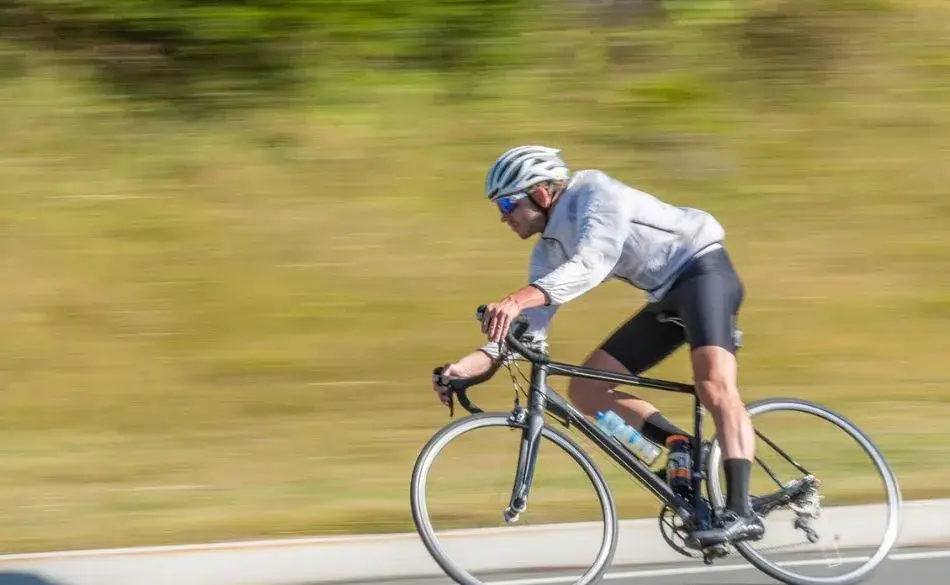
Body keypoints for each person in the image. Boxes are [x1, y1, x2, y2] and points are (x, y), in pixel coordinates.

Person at [431, 145, 764, 547]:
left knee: (713, 385)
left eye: (507, 203)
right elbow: (527, 333)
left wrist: (517, 298)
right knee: (586, 390)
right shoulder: (548, 250)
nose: (503, 216)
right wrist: (465, 368)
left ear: (540, 193)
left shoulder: (596, 194)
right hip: (665, 297)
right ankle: (682, 445)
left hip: (704, 273)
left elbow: (592, 264)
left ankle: (743, 512)